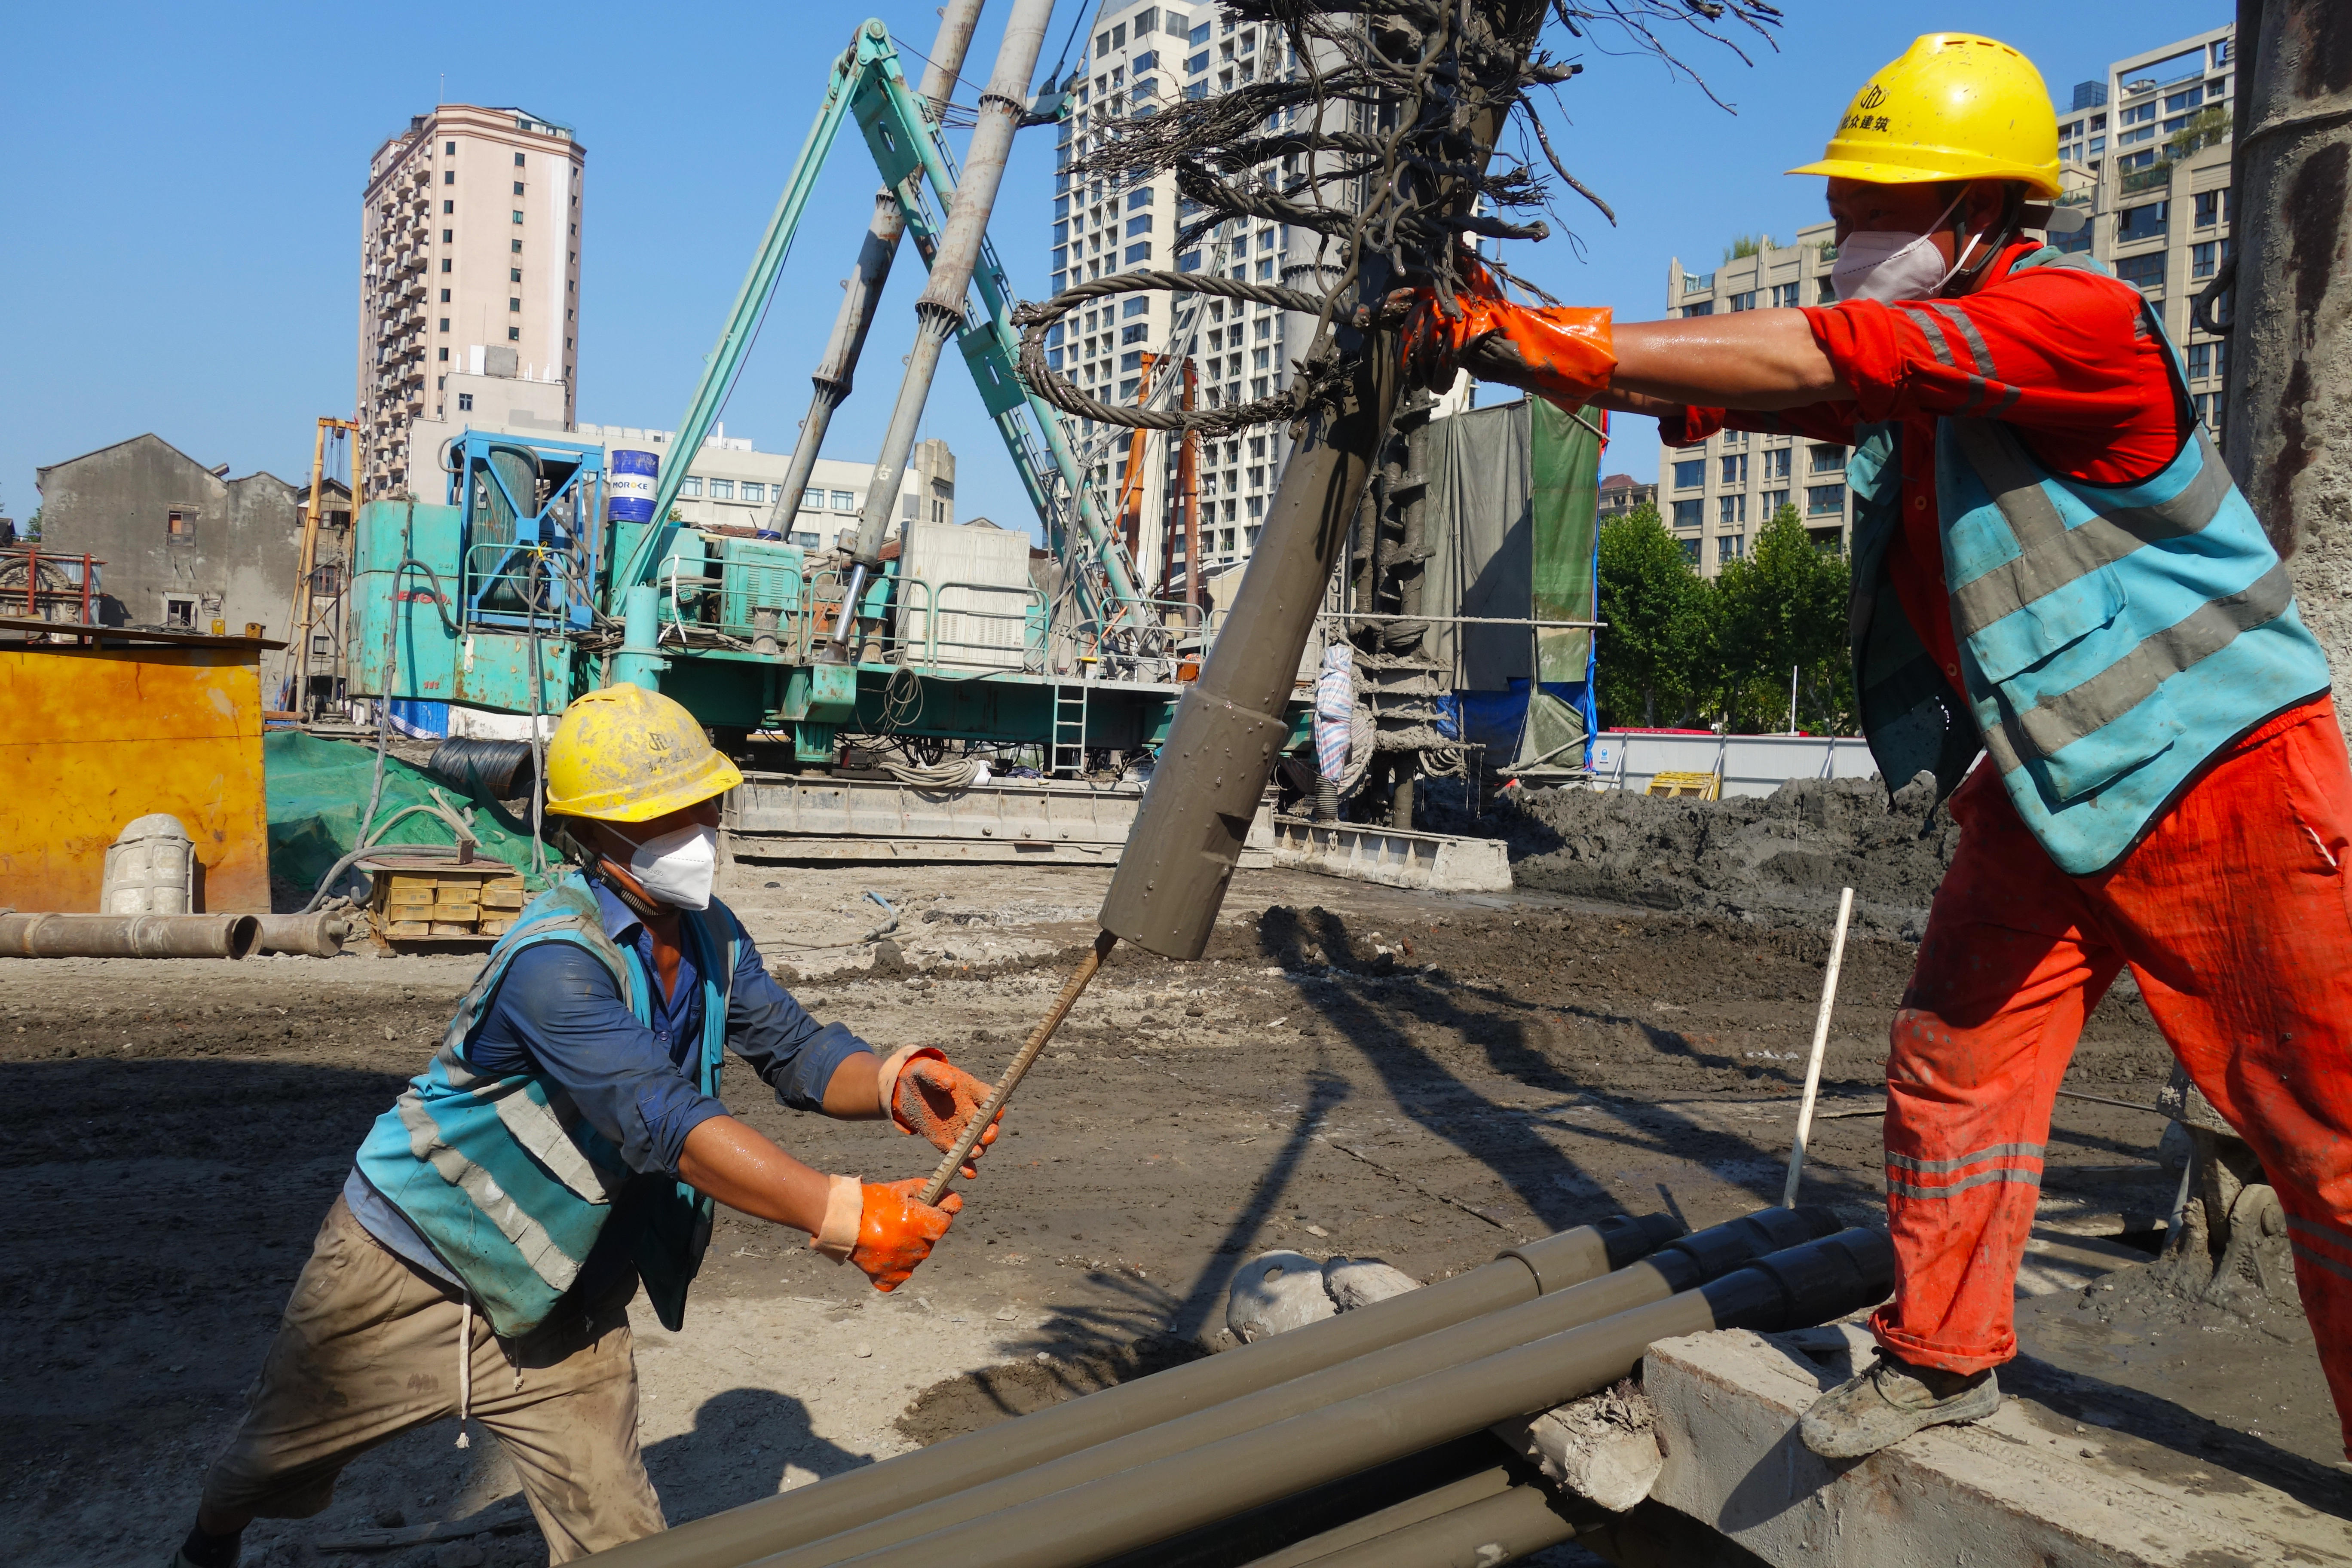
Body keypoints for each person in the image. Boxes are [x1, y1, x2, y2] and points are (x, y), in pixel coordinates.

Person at [1399, 32, 2352, 1460]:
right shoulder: (1934, 366)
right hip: (2051, 780)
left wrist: (1530, 336)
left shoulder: (2070, 321)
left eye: (1870, 210)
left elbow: (1826, 352)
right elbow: (1735, 384)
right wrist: (1515, 346)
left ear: (1974, 215)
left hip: (2222, 772)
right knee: (1953, 1056)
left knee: (2322, 1125)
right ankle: (1939, 1355)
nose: (1843, 236)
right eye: (1842, 204)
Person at [174, 683, 1001, 1567]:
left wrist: (894, 1079)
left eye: (704, 804)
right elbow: (664, 1119)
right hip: (408, 1267)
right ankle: (209, 1543)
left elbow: (794, 1051)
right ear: (598, 835)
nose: (699, 829)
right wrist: (845, 1215)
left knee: (619, 1538)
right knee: (264, 1465)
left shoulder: (712, 934)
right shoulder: (554, 963)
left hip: (562, 1289)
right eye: (667, 813)